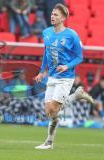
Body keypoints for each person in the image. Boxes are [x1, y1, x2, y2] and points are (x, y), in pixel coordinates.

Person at [34, 4, 94, 150]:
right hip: (52, 76)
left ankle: (49, 142)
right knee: (49, 111)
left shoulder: (72, 35)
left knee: (54, 109)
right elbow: (46, 53)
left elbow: (79, 57)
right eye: (52, 14)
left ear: (63, 18)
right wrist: (42, 72)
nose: (52, 16)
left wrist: (67, 66)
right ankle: (77, 95)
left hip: (66, 77)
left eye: (56, 15)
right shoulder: (46, 32)